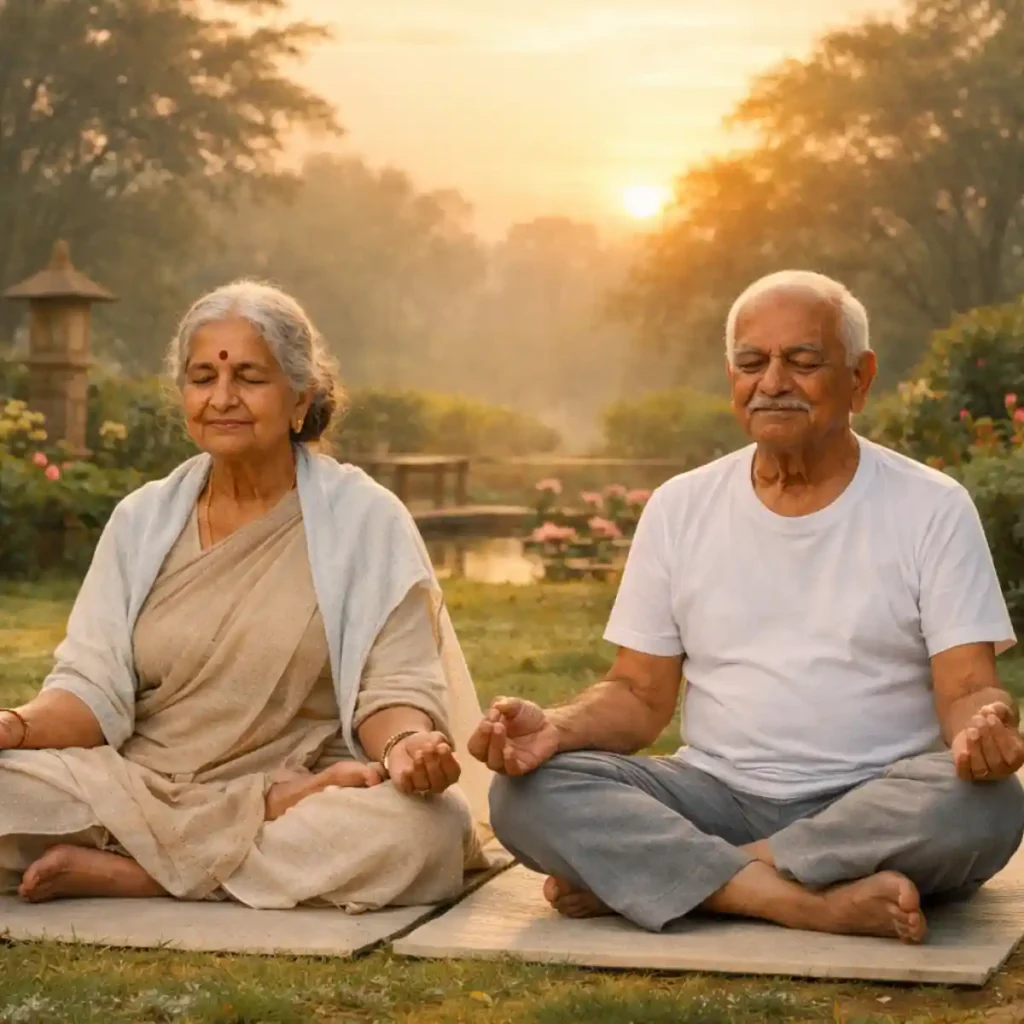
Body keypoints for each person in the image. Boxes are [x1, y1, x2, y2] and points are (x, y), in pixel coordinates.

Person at [471, 270, 1024, 944]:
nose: (773, 382)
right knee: (525, 793)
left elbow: (966, 689)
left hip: (875, 801)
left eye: (803, 361)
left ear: (860, 377)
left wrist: (984, 727)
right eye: (752, 362)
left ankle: (684, 875)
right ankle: (804, 902)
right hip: (714, 796)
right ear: (732, 377)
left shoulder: (932, 507)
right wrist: (555, 729)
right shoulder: (681, 506)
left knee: (984, 805)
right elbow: (639, 695)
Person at [0, 280, 493, 909]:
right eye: (203, 377)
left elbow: (392, 687)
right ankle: (234, 836)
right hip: (142, 782)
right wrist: (14, 725)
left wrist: (405, 748)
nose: (222, 398)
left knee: (425, 829)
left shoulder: (365, 518)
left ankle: (138, 873)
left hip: (311, 780)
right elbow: (90, 689)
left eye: (250, 378)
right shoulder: (141, 520)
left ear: (300, 399)